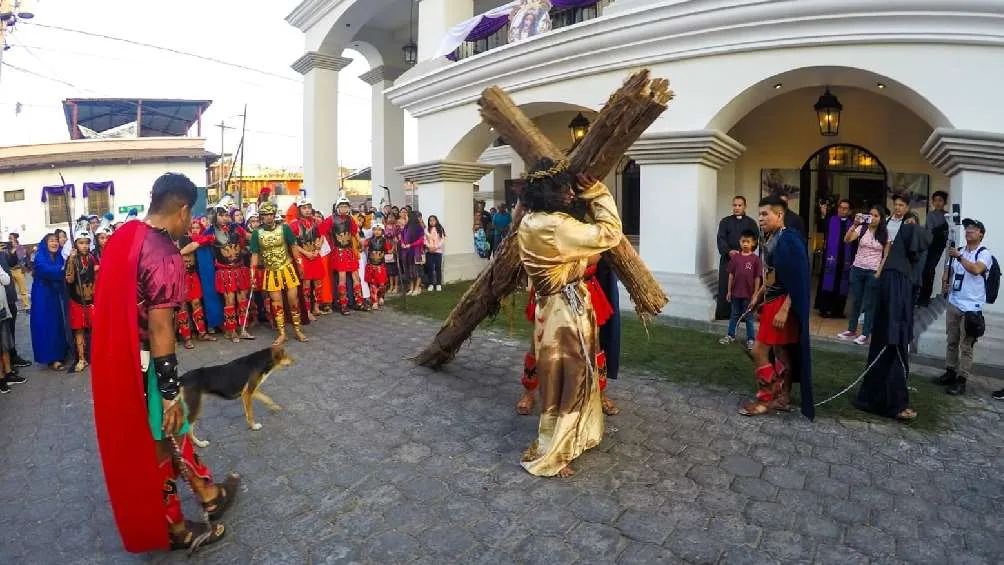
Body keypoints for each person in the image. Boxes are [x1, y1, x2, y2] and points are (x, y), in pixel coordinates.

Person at [91, 172, 240, 553]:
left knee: (173, 433)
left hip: (119, 360)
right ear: (184, 208)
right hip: (147, 367)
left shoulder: (126, 236)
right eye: (192, 216)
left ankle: (207, 492)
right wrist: (171, 391)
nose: (191, 224)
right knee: (162, 437)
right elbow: (160, 326)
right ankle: (174, 526)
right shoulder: (164, 252)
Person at [517, 158, 622, 478]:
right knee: (571, 377)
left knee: (558, 376)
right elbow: (610, 234)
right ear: (548, 191)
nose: (567, 193)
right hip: (566, 314)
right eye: (561, 188)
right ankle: (556, 451)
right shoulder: (556, 226)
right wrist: (599, 193)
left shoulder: (529, 222)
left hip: (550, 310)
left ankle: (571, 435)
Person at [740, 196, 814, 418]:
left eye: (765, 214)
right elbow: (770, 274)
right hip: (771, 301)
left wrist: (784, 309)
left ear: (779, 215)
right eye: (759, 214)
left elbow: (799, 278)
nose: (760, 218)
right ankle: (784, 396)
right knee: (781, 352)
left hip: (782, 304)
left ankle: (766, 399)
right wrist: (757, 295)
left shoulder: (790, 239)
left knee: (758, 351)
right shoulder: (770, 237)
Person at [853, 212, 930, 420]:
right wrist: (897, 335)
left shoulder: (899, 265)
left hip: (891, 329)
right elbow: (895, 306)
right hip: (892, 332)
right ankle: (896, 406)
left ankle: (872, 400)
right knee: (893, 367)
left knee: (883, 366)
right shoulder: (896, 271)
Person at [936, 218, 991, 396]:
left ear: (981, 234)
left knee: (966, 346)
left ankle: (962, 380)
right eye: (967, 228)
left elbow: (976, 270)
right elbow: (948, 268)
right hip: (954, 302)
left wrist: (958, 257)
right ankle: (950, 372)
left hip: (971, 308)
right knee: (951, 341)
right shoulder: (958, 251)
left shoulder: (984, 254)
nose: (968, 231)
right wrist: (945, 279)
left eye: (973, 229)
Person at [250, 201, 309, 345]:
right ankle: (282, 333)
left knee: (293, 300)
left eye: (271, 214)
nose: (269, 217)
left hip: (287, 267)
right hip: (271, 271)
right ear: (261, 217)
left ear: (274, 215)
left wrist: (300, 265)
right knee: (276, 303)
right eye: (265, 215)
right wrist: (252, 275)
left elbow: (294, 247)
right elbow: (255, 255)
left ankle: (297, 329)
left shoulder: (284, 228)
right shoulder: (257, 234)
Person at [206, 197, 254, 343]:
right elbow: (199, 244)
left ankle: (243, 328)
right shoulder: (210, 231)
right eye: (221, 215)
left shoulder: (236, 228)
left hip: (239, 269)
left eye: (226, 215)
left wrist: (263, 237)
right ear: (216, 215)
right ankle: (231, 330)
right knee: (230, 301)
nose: (224, 218)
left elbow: (249, 237)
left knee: (242, 299)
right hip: (224, 271)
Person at [838, 206, 889, 346]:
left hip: (872, 271)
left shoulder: (885, 233)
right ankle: (851, 330)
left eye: (876, 216)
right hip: (857, 268)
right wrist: (854, 224)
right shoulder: (862, 229)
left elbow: (886, 255)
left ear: (881, 218)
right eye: (871, 215)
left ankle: (865, 333)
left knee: (869, 303)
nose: (872, 218)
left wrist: (879, 272)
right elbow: (846, 239)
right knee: (856, 300)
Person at [715, 196, 759, 320]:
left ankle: (743, 316)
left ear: (745, 206)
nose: (737, 208)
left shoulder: (751, 223)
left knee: (743, 287)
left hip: (745, 261)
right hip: (727, 260)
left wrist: (743, 253)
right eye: (735, 205)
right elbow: (720, 238)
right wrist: (729, 251)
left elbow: (755, 240)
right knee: (725, 286)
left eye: (740, 205)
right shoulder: (725, 221)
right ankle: (724, 314)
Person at [30, 233, 70, 371]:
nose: (54, 243)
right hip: (42, 296)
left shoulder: (59, 255)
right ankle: (51, 358)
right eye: (51, 241)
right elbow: (45, 270)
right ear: (45, 244)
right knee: (46, 326)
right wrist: (65, 269)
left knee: (57, 324)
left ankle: (60, 353)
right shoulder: (40, 256)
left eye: (56, 241)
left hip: (55, 294)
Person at [176, 220, 217, 350]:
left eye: (196, 227)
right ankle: (187, 337)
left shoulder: (197, 240)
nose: (194, 229)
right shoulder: (174, 239)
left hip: (193, 276)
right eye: (191, 227)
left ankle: (202, 333)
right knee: (182, 307)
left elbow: (197, 243)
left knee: (196, 304)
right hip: (179, 277)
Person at [719, 230, 761, 350]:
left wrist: (755, 295)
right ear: (740, 242)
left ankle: (751, 339)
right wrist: (729, 291)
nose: (745, 244)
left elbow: (757, 278)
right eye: (743, 241)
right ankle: (730, 335)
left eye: (748, 242)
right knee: (734, 315)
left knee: (748, 318)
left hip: (748, 295)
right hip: (735, 294)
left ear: (753, 243)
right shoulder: (735, 258)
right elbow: (731, 276)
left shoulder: (755, 259)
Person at [815, 199, 855, 318]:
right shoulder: (831, 220)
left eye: (845, 208)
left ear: (849, 211)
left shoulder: (852, 224)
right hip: (831, 259)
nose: (842, 210)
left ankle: (838, 311)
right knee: (827, 282)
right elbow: (821, 227)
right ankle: (824, 309)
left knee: (842, 285)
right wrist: (822, 214)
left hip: (844, 260)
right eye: (841, 207)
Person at [65, 230, 99, 373]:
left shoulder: (92, 258)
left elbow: (96, 276)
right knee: (79, 329)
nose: (84, 246)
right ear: (76, 244)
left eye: (86, 243)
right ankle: (81, 358)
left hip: (91, 299)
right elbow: (69, 279)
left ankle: (96, 355)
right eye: (81, 243)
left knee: (95, 328)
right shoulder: (72, 258)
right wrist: (72, 261)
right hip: (77, 299)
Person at [327, 197, 367, 314]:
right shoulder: (331, 219)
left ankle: (359, 302)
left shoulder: (350, 219)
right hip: (339, 252)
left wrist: (360, 242)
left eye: (346, 206)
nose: (344, 208)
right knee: (342, 279)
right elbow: (321, 231)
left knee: (356, 277)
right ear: (337, 208)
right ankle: (343, 304)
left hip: (349, 251)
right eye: (342, 206)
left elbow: (355, 232)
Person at [290, 196, 327, 319]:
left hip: (315, 255)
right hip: (303, 257)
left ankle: (316, 307)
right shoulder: (294, 225)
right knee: (306, 284)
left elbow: (321, 236)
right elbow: (293, 244)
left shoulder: (316, 222)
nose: (307, 210)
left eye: (309, 207)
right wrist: (306, 253)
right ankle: (307, 310)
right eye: (304, 208)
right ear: (299, 209)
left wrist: (317, 249)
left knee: (318, 283)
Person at [0, 236, 30, 370]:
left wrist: (11, 251)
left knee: (10, 331)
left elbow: (12, 263)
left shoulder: (3, 252)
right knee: (4, 334)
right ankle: (8, 363)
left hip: (9, 297)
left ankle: (13, 357)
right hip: (2, 299)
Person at [918, 191, 950, 306]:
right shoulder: (931, 215)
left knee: (930, 270)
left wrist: (943, 228)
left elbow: (947, 233)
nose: (937, 203)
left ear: (945, 202)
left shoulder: (947, 215)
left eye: (940, 200)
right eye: (935, 200)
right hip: (930, 245)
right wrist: (944, 226)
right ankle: (923, 297)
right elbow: (932, 230)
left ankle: (925, 297)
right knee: (926, 271)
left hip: (941, 246)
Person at [399, 208, 426, 296]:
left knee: (417, 271)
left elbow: (421, 240)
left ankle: (417, 287)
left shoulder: (419, 228)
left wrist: (411, 245)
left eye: (406, 217)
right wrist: (402, 243)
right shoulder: (405, 228)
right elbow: (402, 237)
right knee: (409, 271)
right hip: (406, 252)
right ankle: (411, 287)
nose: (405, 218)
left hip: (416, 252)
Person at [7, 232, 30, 310]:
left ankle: (26, 306)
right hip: (10, 271)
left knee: (22, 289)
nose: (9, 240)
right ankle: (15, 308)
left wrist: (24, 268)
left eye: (11, 238)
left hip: (18, 270)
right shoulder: (7, 249)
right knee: (11, 290)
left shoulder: (20, 247)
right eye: (9, 238)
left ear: (15, 239)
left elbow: (23, 259)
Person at [425, 215, 446, 291]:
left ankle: (438, 284)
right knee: (430, 267)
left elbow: (442, 240)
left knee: (438, 267)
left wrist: (436, 247)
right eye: (430, 220)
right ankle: (430, 284)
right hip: (429, 251)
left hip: (438, 251)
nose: (432, 222)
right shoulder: (426, 229)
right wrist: (429, 247)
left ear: (436, 221)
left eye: (433, 220)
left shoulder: (440, 229)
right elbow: (425, 239)